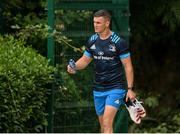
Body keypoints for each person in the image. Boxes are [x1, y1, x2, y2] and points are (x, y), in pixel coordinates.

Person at [67, 9, 136, 133]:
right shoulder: (92, 40)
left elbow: (128, 66)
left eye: (98, 22)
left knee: (107, 122)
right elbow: (85, 60)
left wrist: (130, 89)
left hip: (116, 88)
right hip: (98, 89)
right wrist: (74, 67)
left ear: (107, 23)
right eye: (94, 22)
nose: (95, 25)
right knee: (103, 126)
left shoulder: (119, 43)